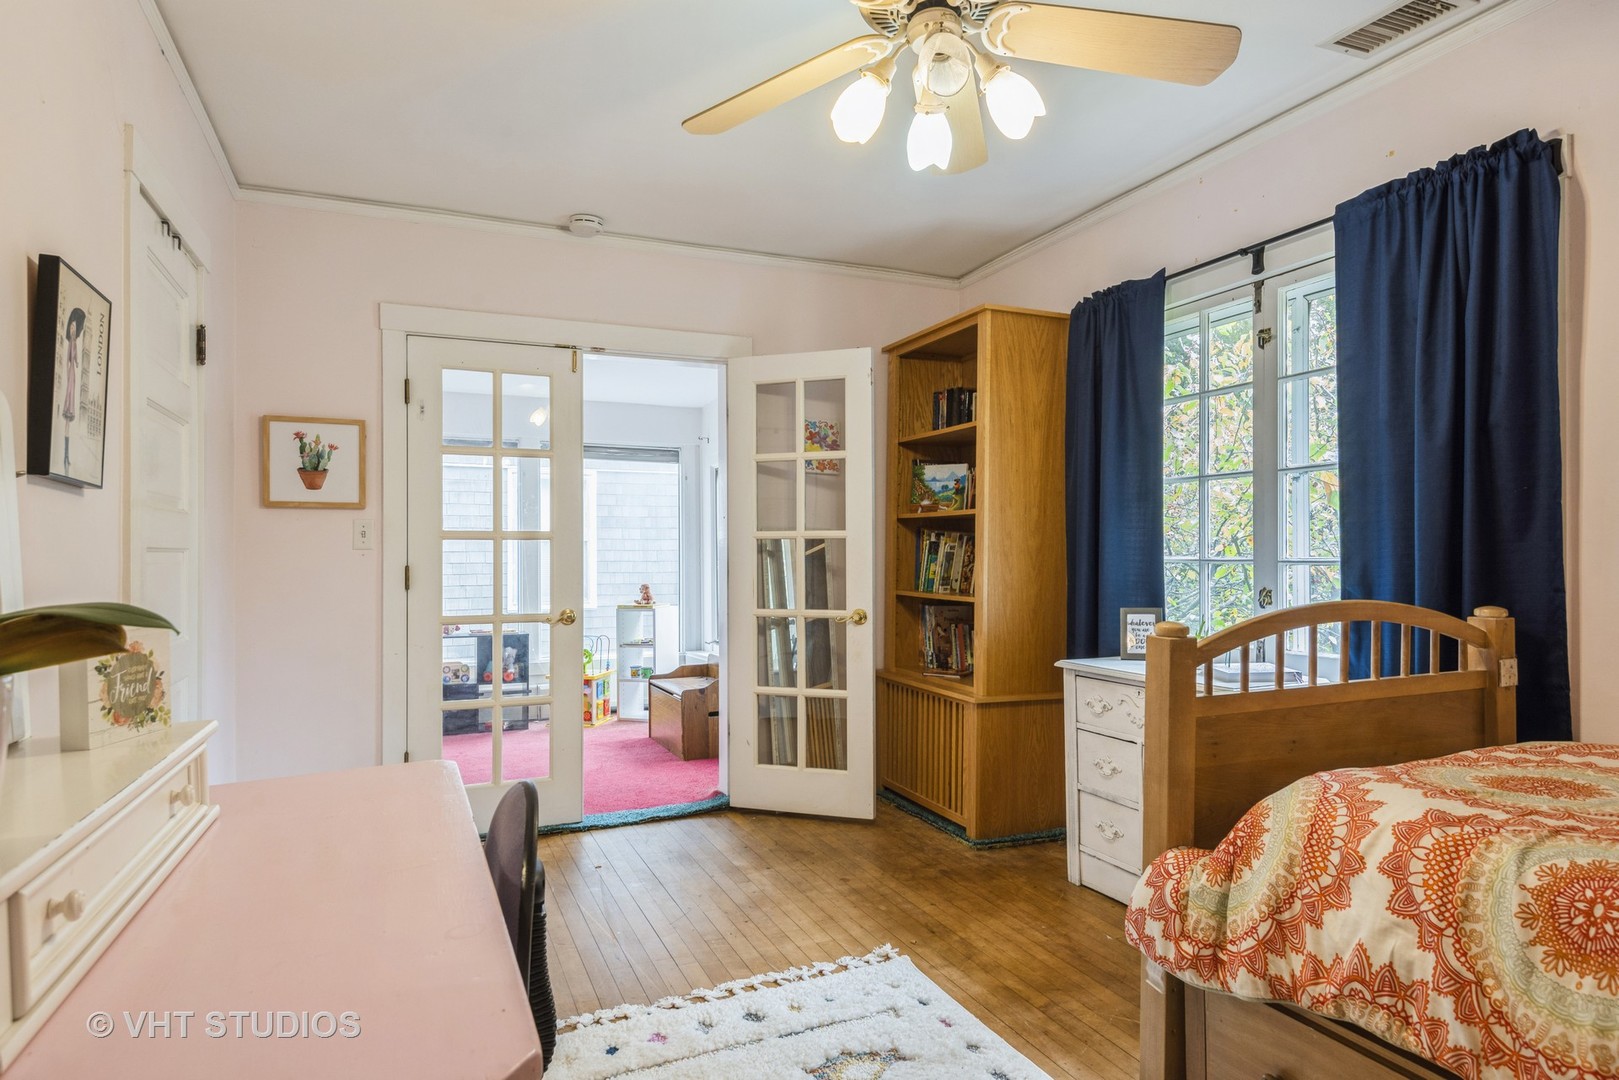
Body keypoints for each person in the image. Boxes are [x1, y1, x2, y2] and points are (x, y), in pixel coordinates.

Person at [59, 307, 86, 469]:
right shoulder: (71, 343)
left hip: (73, 376)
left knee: (68, 420)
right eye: (72, 327)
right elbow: (71, 358)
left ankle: (66, 455)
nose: (73, 330)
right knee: (69, 404)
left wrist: (75, 362)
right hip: (71, 377)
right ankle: (65, 455)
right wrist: (74, 363)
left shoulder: (74, 343)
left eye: (75, 327)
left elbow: (74, 360)